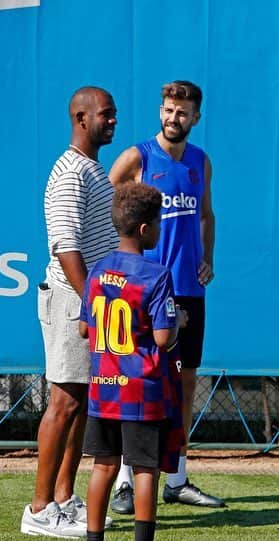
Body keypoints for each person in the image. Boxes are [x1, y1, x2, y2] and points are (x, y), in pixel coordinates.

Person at [108, 80, 224, 511]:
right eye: (167, 110)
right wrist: (122, 264)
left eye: (181, 112)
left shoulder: (200, 162)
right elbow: (110, 205)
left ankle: (176, 478)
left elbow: (207, 215)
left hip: (189, 291)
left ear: (196, 117)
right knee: (137, 381)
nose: (173, 118)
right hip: (143, 290)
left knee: (183, 384)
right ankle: (124, 479)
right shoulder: (138, 157)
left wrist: (207, 257)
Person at [21, 87, 119, 540]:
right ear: (82, 119)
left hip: (87, 303)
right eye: (106, 115)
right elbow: (66, 246)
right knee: (63, 403)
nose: (113, 121)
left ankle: (63, 499)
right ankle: (39, 508)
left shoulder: (92, 170)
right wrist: (93, 302)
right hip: (71, 302)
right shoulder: (69, 174)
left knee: (80, 403)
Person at [75, 181, 184, 541]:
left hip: (103, 387)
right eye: (157, 222)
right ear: (144, 229)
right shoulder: (156, 275)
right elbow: (161, 338)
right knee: (144, 470)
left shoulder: (100, 269)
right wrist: (178, 326)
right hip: (141, 391)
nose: (159, 229)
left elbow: (86, 328)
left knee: (102, 465)